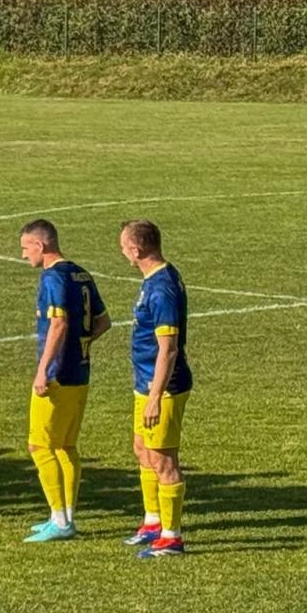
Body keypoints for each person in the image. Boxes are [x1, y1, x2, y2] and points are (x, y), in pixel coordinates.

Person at [19, 219, 111, 543]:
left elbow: (57, 324)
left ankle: (59, 520)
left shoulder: (53, 277)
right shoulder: (81, 273)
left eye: (25, 247)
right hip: (80, 371)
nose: (23, 255)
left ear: (40, 246)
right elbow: (104, 321)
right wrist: (80, 345)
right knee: (65, 446)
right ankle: (66, 516)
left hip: (57, 375)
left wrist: (43, 368)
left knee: (39, 445)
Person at [119, 219, 193, 558]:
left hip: (163, 386)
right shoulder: (156, 279)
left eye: (123, 247)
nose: (122, 253)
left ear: (136, 249)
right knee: (142, 449)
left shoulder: (161, 289)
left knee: (164, 460)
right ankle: (152, 522)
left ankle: (172, 536)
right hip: (146, 382)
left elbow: (169, 348)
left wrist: (155, 398)